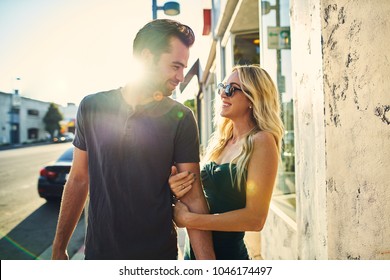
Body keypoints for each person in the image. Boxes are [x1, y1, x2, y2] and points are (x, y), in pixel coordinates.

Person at [52, 19, 215, 260]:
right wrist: (58, 248)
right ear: (147, 57)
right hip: (99, 256)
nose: (181, 77)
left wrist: (209, 265)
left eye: (184, 68)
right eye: (175, 66)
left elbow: (193, 195)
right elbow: (78, 179)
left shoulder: (181, 117)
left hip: (158, 257)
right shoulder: (91, 106)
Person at [169, 65, 284, 260]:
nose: (223, 94)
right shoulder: (220, 141)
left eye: (231, 89)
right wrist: (176, 186)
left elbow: (256, 219)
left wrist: (190, 220)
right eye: (222, 87)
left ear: (252, 98)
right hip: (194, 253)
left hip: (227, 257)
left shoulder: (261, 140)